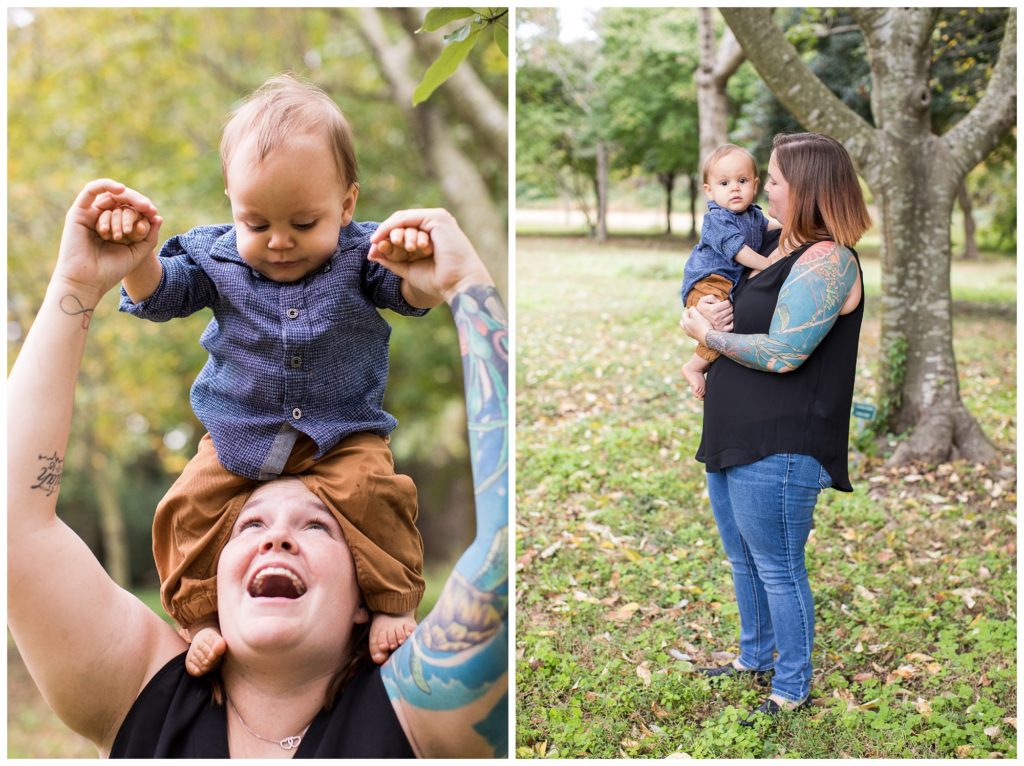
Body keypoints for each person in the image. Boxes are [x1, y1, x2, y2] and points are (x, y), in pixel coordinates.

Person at [7, 180, 509, 757]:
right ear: (215, 579)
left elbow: (501, 543)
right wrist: (75, 284)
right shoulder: (141, 697)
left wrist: (466, 287)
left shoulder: (423, 713)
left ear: (363, 592)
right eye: (248, 525)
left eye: (318, 525)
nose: (277, 539)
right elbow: (13, 520)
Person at [98, 74, 438, 671]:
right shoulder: (213, 254)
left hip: (342, 433)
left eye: (304, 224)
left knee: (377, 495)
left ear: (347, 205)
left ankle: (392, 602)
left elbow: (407, 292)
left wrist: (418, 269)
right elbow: (161, 296)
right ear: (232, 202)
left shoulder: (365, 253)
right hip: (238, 434)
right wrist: (139, 260)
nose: (279, 241)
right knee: (185, 507)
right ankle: (199, 614)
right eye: (257, 223)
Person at [680, 132, 871, 725]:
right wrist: (702, 311)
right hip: (736, 434)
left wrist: (707, 337)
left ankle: (790, 686)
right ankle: (754, 657)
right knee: (743, 558)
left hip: (783, 445)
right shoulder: (779, 247)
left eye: (777, 181)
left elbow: (786, 352)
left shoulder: (829, 261)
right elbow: (722, 284)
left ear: (808, 189)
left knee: (778, 567)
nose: (764, 188)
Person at [679, 144, 779, 400]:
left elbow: (772, 226)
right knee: (721, 325)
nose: (734, 188)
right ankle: (694, 366)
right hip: (708, 281)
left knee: (724, 325)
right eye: (724, 183)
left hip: (727, 283)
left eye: (742, 180)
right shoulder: (717, 220)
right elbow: (738, 251)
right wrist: (767, 265)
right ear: (709, 191)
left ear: (755, 185)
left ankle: (697, 365)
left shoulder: (754, 215)